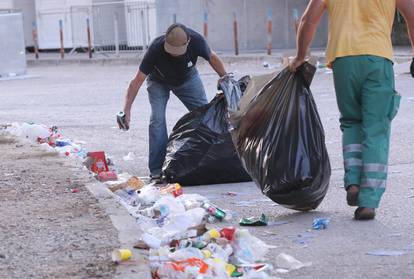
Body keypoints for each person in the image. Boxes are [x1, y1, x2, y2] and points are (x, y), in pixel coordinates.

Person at [290, 0, 414, 220]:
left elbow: (308, 19)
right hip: (378, 59)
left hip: (343, 59)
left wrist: (301, 56)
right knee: (376, 128)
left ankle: (354, 182)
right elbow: (412, 15)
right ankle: (369, 201)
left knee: (351, 122)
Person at [121, 23, 227, 182]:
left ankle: (207, 163)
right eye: (172, 51)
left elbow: (212, 57)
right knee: (157, 120)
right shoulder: (156, 49)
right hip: (158, 82)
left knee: (207, 118)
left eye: (178, 52)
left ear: (188, 42)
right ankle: (156, 170)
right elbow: (136, 82)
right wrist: (126, 110)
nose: (175, 55)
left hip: (188, 79)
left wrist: (226, 80)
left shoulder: (197, 41)